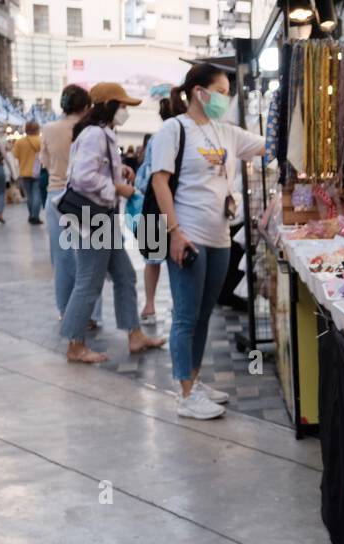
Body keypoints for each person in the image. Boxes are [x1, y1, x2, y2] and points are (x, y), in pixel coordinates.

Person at [149, 63, 265, 420]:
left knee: (202, 315)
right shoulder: (173, 129)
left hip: (219, 237)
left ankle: (194, 380)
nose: (225, 98)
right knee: (185, 316)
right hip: (189, 236)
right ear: (200, 92)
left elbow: (265, 144)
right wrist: (174, 233)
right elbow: (159, 182)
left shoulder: (225, 132)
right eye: (222, 91)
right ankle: (185, 393)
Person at [59, 82, 165, 365]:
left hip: (101, 219)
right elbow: (82, 178)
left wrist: (119, 173)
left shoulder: (100, 133)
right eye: (122, 106)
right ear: (108, 106)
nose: (125, 111)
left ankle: (134, 335)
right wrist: (117, 188)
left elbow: (92, 172)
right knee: (89, 283)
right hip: (94, 219)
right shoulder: (95, 134)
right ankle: (75, 344)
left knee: (125, 276)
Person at [42, 84, 102, 328]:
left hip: (55, 196)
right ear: (86, 107)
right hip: (83, 196)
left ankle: (64, 309)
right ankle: (89, 314)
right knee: (88, 259)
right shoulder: (90, 130)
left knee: (62, 258)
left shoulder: (48, 128)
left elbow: (45, 162)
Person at [128, 98, 176, 325]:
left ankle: (149, 305)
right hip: (174, 206)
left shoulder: (156, 139)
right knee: (178, 260)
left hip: (151, 206)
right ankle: (179, 303)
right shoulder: (180, 135)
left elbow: (143, 177)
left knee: (152, 260)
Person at [12, 121, 44, 224]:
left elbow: (15, 155)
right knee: (37, 194)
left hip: (24, 172)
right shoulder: (40, 141)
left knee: (29, 195)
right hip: (37, 172)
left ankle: (31, 215)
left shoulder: (19, 142)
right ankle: (35, 216)